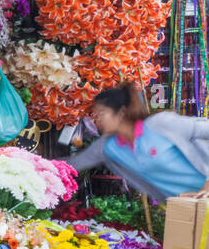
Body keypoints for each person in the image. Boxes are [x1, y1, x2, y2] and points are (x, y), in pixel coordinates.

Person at [67, 83, 209, 201]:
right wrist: (46, 169)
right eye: (96, 115)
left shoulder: (160, 124)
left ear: (121, 112)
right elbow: (71, 165)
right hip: (187, 209)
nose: (97, 121)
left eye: (102, 114)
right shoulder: (109, 147)